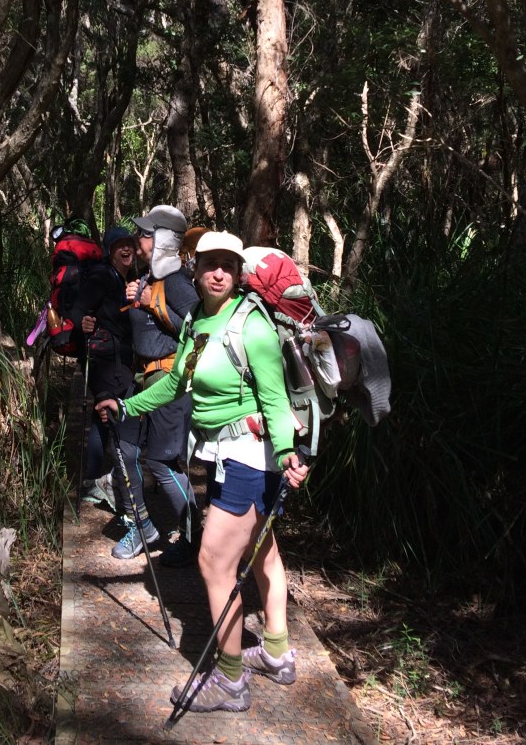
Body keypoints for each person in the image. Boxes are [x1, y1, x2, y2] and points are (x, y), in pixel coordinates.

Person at [97, 231, 309, 713]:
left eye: (227, 265)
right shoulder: (197, 321)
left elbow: (275, 401)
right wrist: (127, 405)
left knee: (214, 562)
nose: (217, 272)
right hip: (225, 453)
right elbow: (175, 382)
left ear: (238, 274)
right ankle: (276, 653)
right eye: (209, 263)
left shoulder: (250, 325)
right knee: (264, 552)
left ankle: (230, 680)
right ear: (195, 267)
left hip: (251, 455)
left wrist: (288, 451)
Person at [116, 205, 200, 566]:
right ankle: (142, 525)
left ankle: (197, 539)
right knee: (125, 450)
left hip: (169, 380)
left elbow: (199, 331)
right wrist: (135, 300)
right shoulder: (148, 277)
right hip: (142, 379)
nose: (138, 239)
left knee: (163, 463)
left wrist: (155, 304)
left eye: (146, 234)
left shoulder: (178, 281)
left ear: (165, 240)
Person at [70, 226, 138, 510]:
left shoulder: (128, 279)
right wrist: (83, 322)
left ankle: (93, 479)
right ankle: (101, 481)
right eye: (119, 245)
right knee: (108, 414)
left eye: (130, 245)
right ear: (109, 251)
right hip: (102, 361)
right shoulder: (101, 276)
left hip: (118, 359)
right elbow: (76, 309)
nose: (126, 250)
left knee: (103, 417)